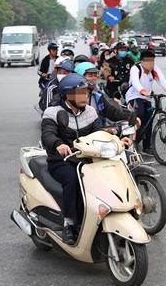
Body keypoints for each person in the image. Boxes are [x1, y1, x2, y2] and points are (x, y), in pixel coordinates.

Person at [41, 74, 132, 244]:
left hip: (87, 159)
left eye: (86, 93)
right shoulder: (53, 112)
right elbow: (47, 134)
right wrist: (58, 144)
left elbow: (99, 132)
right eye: (80, 93)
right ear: (67, 95)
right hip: (63, 160)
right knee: (72, 179)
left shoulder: (90, 111)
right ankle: (69, 223)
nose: (85, 96)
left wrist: (118, 138)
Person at [125, 51, 166, 154]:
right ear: (142, 61)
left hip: (147, 97)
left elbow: (162, 81)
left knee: (149, 119)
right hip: (134, 96)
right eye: (148, 61)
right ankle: (132, 140)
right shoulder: (135, 69)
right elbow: (135, 82)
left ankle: (147, 146)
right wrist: (142, 90)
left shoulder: (154, 70)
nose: (151, 64)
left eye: (152, 61)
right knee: (139, 115)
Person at [75, 61, 140, 126]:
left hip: (100, 131)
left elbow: (111, 112)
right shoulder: (74, 98)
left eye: (95, 76)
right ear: (80, 77)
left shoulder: (97, 95)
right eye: (90, 76)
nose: (93, 78)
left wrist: (130, 116)